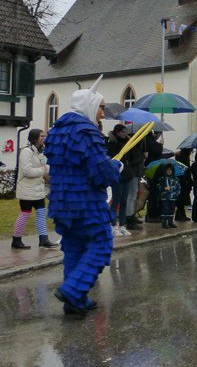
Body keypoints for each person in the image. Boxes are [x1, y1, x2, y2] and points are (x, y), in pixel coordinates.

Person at [44, 75, 122, 317]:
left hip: (63, 202)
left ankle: (75, 302)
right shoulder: (87, 131)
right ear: (89, 106)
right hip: (86, 202)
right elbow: (99, 173)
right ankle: (73, 290)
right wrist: (115, 167)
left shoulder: (58, 131)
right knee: (101, 244)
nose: (102, 112)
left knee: (75, 247)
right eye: (100, 107)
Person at [11, 129, 58, 250]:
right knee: (25, 214)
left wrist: (52, 169)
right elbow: (27, 171)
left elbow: (43, 166)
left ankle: (44, 239)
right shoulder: (27, 151)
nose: (44, 138)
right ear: (34, 138)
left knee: (41, 213)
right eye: (41, 136)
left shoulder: (39, 151)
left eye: (44, 136)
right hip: (27, 189)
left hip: (38, 189)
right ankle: (16, 240)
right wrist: (42, 170)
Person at [158, 163, 181, 228]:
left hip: (173, 197)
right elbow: (158, 187)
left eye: (170, 170)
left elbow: (178, 188)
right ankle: (164, 222)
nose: (169, 171)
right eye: (167, 170)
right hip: (164, 197)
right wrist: (164, 188)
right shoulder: (162, 179)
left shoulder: (176, 179)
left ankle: (170, 221)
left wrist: (176, 194)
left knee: (172, 209)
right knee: (165, 209)